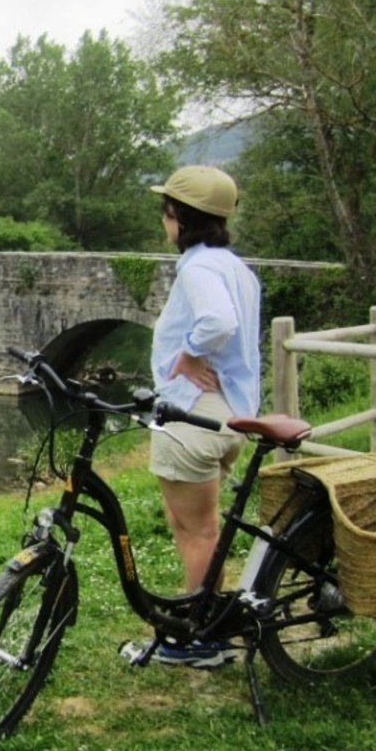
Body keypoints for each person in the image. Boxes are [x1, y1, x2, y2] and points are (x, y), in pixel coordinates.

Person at [141, 165, 261, 669]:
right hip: (228, 414)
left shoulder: (196, 267)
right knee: (193, 524)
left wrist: (189, 354)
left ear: (180, 217)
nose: (164, 220)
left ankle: (200, 636)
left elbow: (219, 322)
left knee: (197, 532)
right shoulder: (233, 265)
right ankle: (202, 611)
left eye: (167, 211)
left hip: (194, 416)